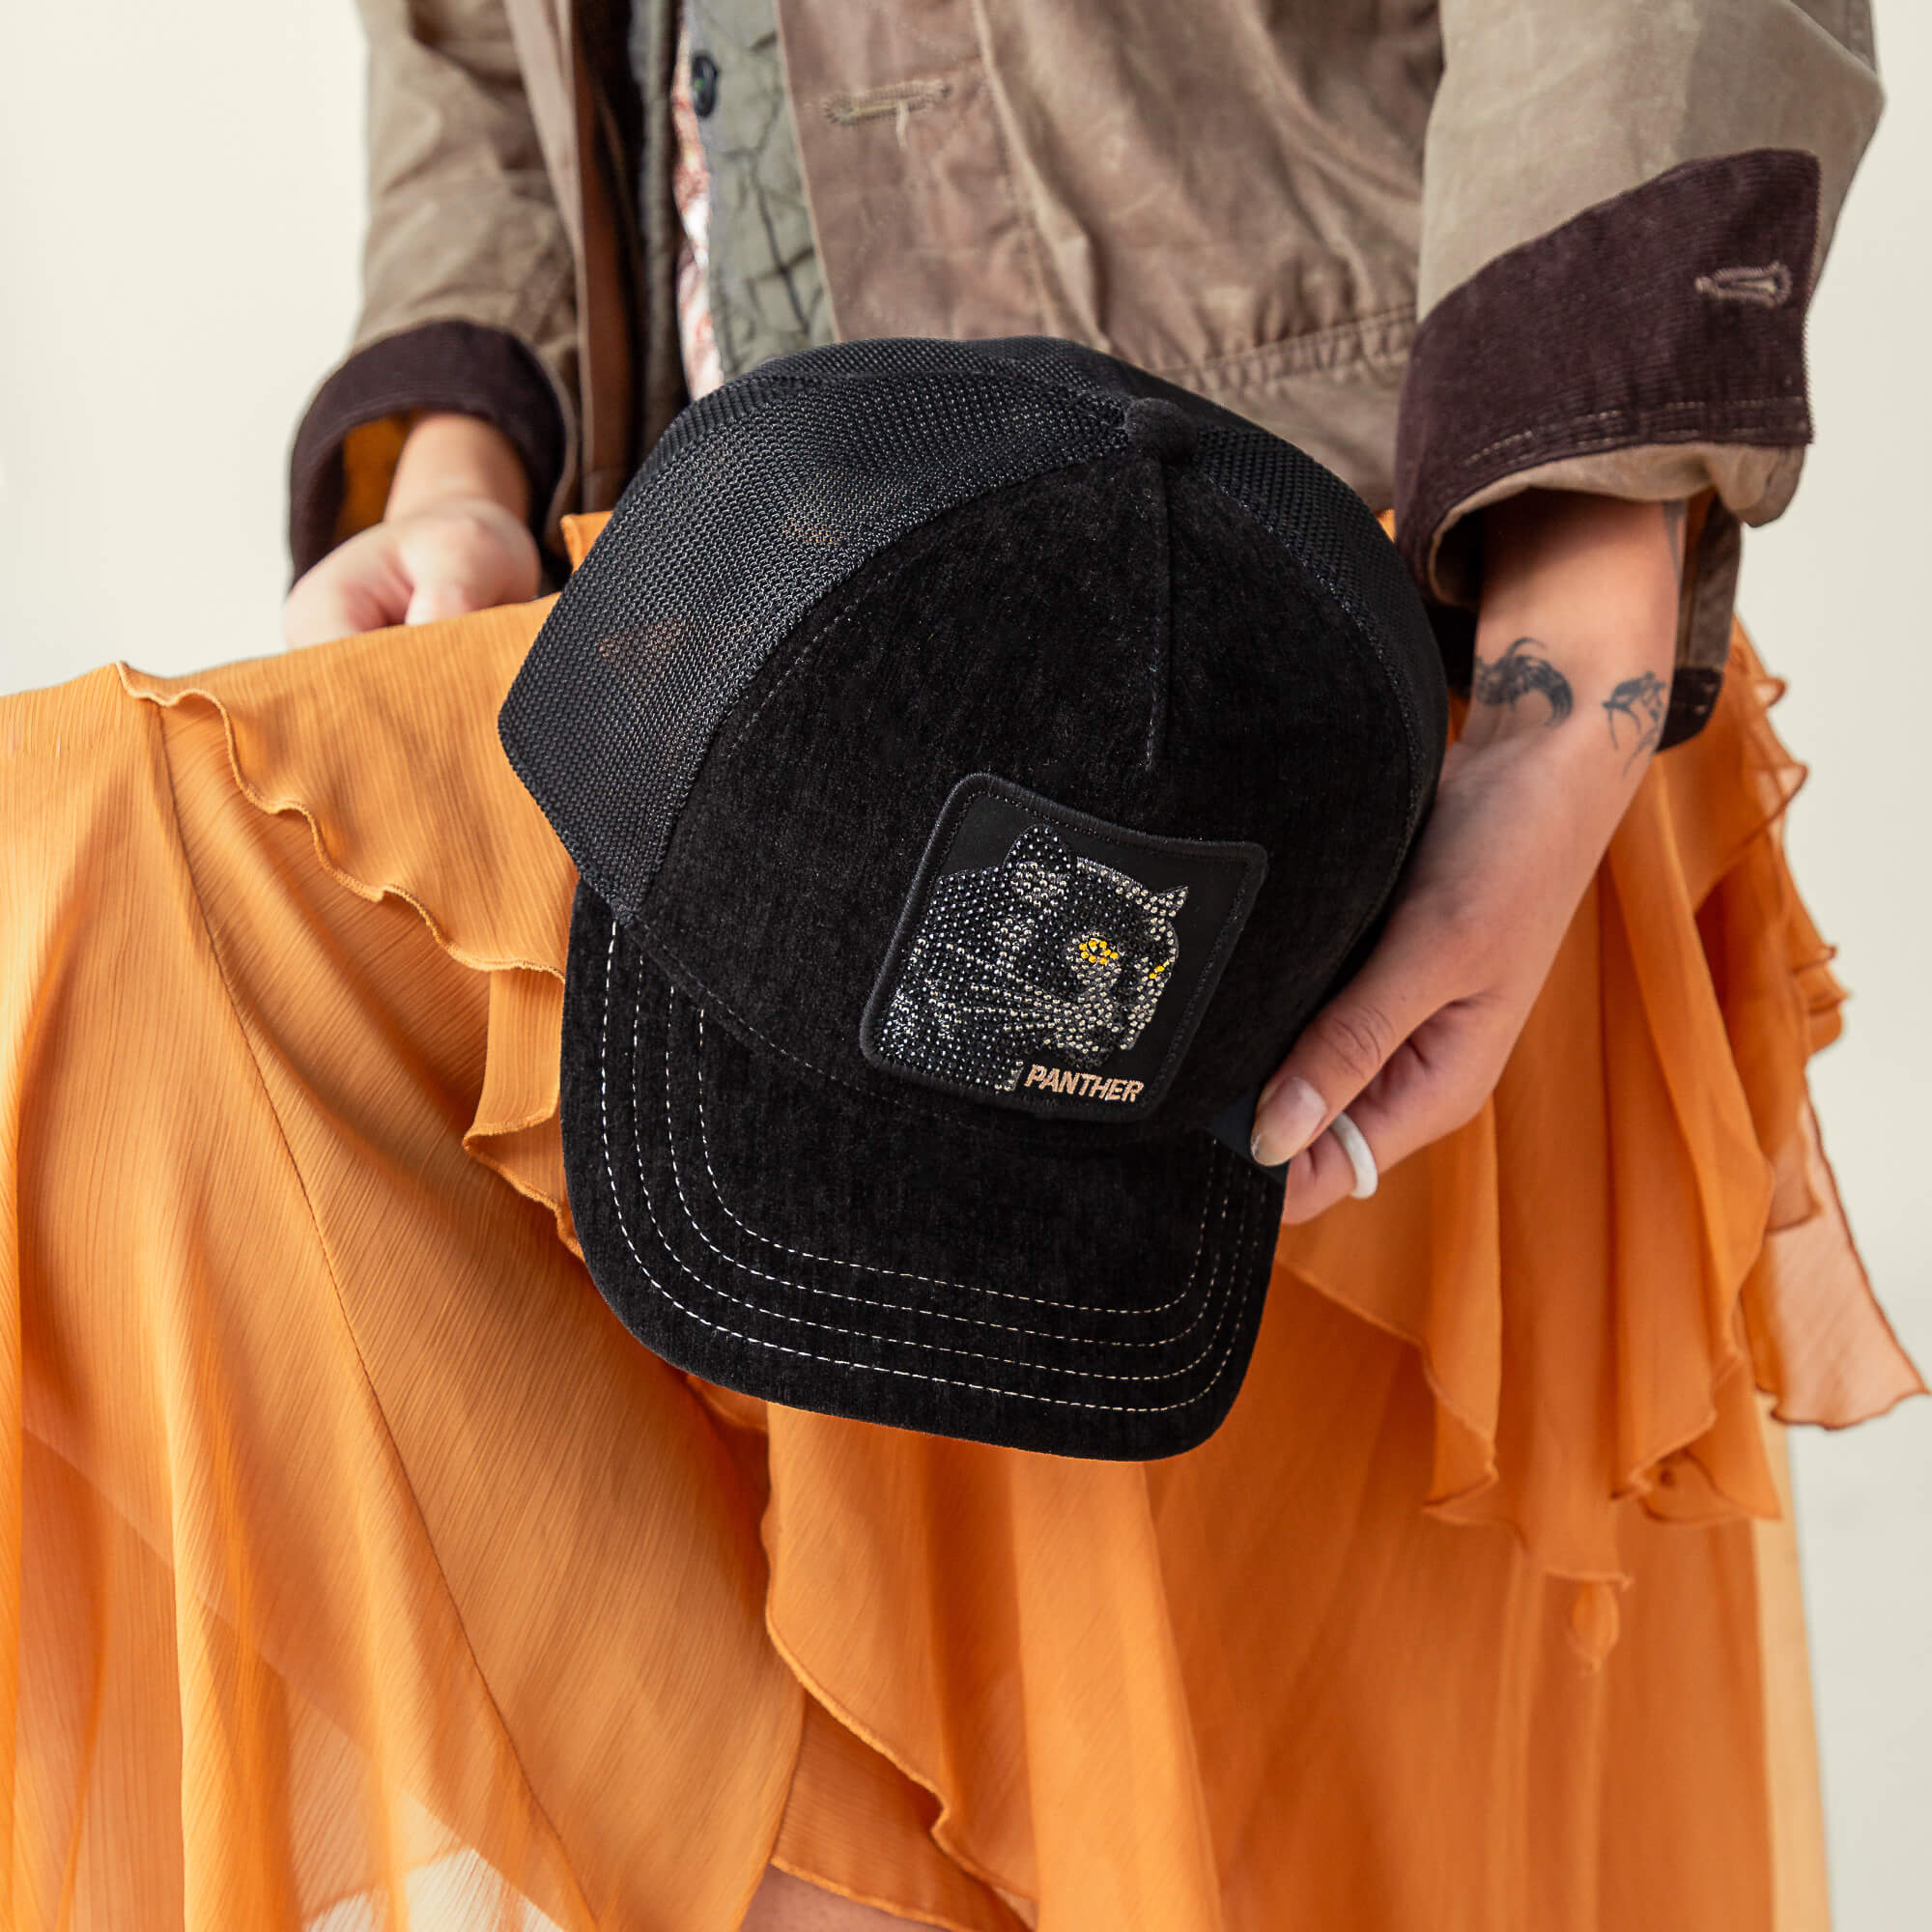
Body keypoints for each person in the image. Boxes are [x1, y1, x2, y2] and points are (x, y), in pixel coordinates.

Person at [0, 4, 1921, 1928]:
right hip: (743, 640)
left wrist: (1567, 669)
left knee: (1279, 1818)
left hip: (1319, 650)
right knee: (104, 911)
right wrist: (451, 462)